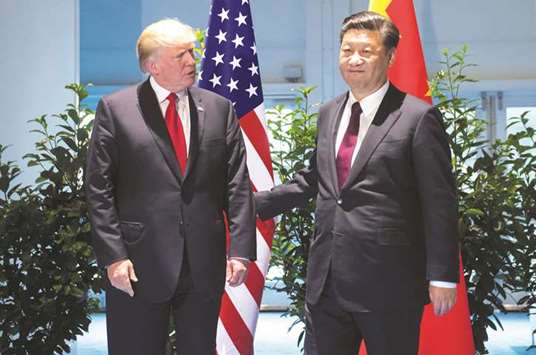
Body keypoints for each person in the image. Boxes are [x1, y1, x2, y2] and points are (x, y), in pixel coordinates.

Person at [255, 11, 459, 355]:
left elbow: (439, 202)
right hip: (327, 282)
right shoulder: (329, 113)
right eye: (347, 50)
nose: (354, 59)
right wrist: (250, 204)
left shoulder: (417, 118)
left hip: (389, 283)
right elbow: (317, 178)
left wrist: (442, 275)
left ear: (390, 57)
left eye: (366, 51)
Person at [86, 18, 256, 355]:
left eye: (192, 52)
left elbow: (236, 184)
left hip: (203, 263)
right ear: (154, 65)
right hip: (136, 264)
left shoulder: (219, 110)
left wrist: (239, 249)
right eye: (181, 56)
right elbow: (98, 190)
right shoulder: (116, 110)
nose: (192, 62)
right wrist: (114, 256)